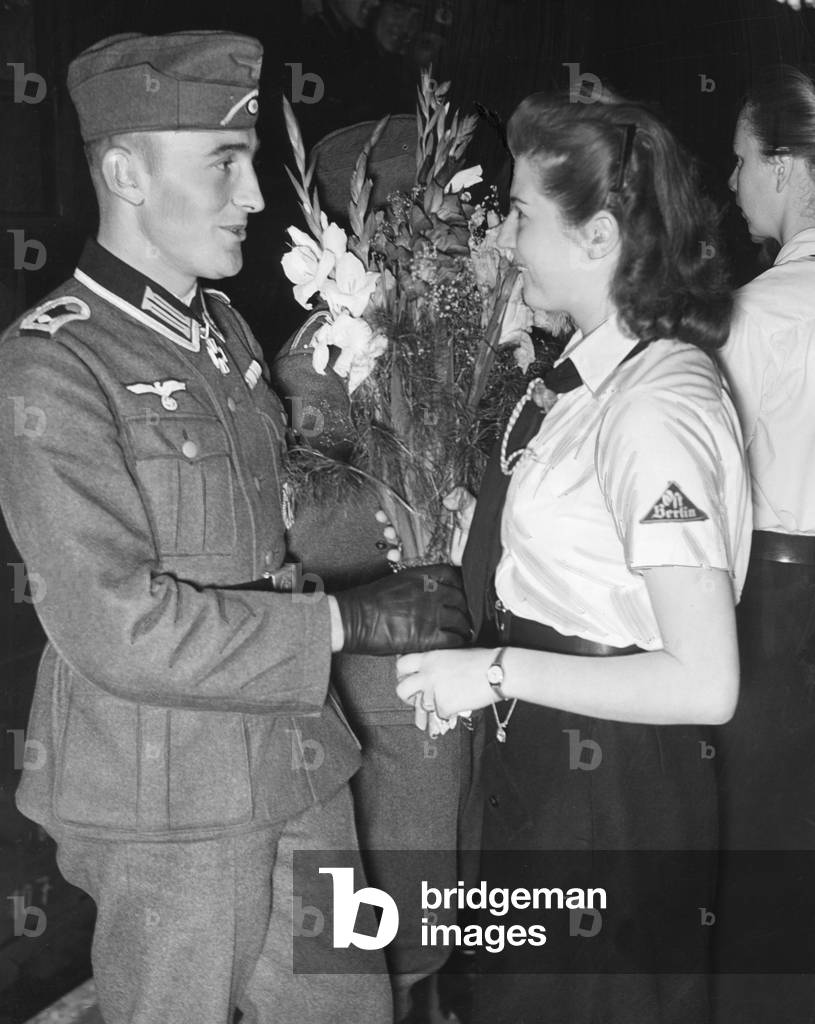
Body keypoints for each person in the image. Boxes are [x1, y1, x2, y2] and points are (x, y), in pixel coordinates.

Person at [0, 31, 471, 1024]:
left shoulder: (226, 335)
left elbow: (271, 533)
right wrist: (347, 624)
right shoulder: (51, 368)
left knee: (352, 1009)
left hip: (300, 762)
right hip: (166, 797)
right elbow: (116, 626)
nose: (256, 195)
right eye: (223, 163)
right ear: (125, 171)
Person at [394, 90, 752, 1023]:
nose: (507, 239)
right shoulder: (597, 371)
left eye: (519, 214)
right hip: (551, 763)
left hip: (612, 792)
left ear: (596, 238)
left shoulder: (653, 409)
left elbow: (703, 683)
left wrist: (497, 672)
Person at [273, 116, 465, 1024]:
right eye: (442, 219)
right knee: (373, 934)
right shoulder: (314, 363)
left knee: (433, 915)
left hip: (449, 681)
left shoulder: (457, 336)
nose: (465, 237)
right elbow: (320, 531)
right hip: (374, 684)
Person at [714, 64, 815, 1024]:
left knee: (763, 844)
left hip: (778, 608)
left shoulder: (757, 315)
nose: (734, 182)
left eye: (743, 161)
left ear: (784, 168)